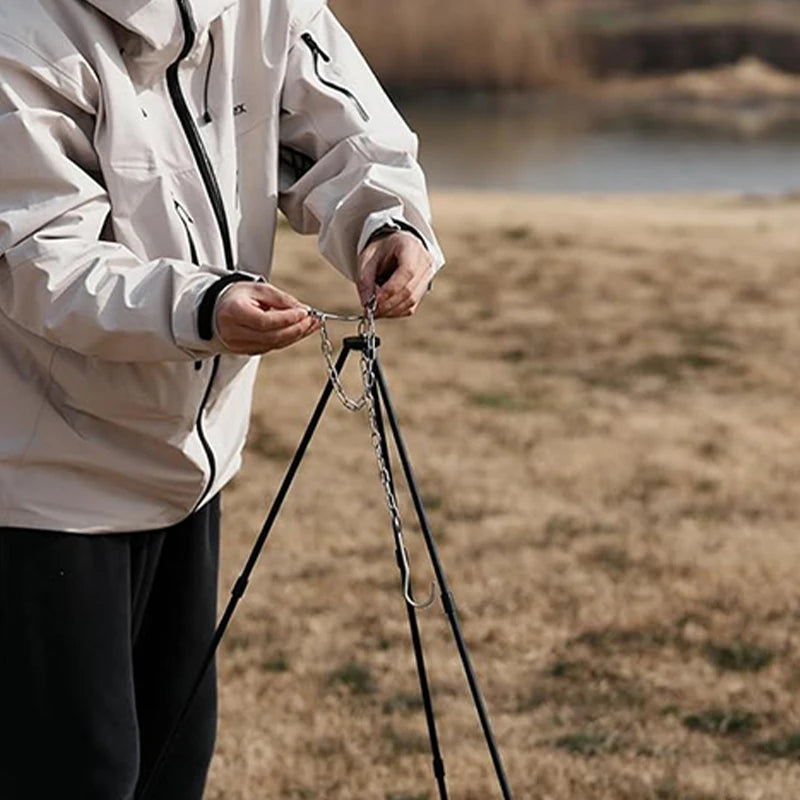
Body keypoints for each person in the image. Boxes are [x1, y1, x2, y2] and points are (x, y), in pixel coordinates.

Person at [0, 0, 444, 797]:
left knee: (174, 764)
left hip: (190, 473)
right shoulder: (19, 31)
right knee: (77, 774)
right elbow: (42, 260)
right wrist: (202, 307)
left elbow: (347, 135)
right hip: (44, 489)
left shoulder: (264, 7)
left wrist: (387, 225)